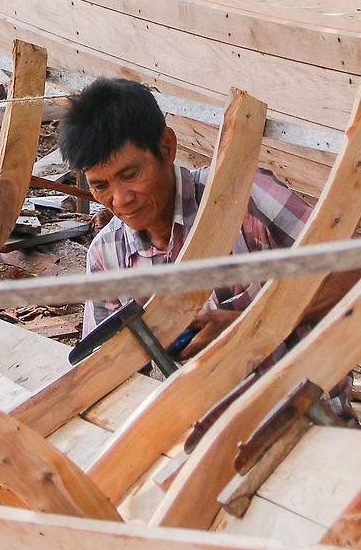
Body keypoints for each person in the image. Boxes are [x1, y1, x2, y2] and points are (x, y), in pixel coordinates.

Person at [59, 76, 311, 360]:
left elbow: (357, 273)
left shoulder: (244, 196)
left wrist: (246, 321)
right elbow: (102, 364)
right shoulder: (107, 256)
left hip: (293, 397)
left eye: (130, 175)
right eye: (100, 186)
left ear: (167, 148)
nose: (120, 199)